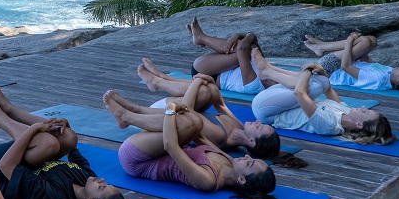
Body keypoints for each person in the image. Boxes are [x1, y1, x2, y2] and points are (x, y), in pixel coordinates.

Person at [0, 84, 138, 199]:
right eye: (107, 183)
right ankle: (11, 110)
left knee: (48, 144)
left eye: (102, 187)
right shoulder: (87, 183)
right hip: (29, 161)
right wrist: (64, 125)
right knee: (69, 137)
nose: (102, 180)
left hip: (1, 166)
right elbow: (74, 151)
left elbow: (6, 166)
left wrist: (33, 129)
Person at [107, 95, 280, 199]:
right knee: (194, 122)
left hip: (137, 159)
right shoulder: (229, 162)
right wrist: (186, 110)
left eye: (249, 163)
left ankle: (127, 117)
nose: (246, 156)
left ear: (241, 179)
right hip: (155, 149)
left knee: (186, 122)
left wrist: (171, 109)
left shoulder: (209, 180)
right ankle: (133, 112)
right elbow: (199, 137)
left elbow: (170, 146)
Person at [112, 71, 283, 160]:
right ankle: (160, 79)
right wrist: (210, 83)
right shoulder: (239, 128)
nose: (256, 121)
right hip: (171, 111)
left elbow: (186, 110)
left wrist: (198, 80)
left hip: (166, 112)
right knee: (210, 90)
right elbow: (221, 105)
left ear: (252, 141)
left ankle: (135, 109)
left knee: (201, 90)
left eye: (259, 127)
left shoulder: (221, 136)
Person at [249, 49, 396, 145]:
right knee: (322, 81)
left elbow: (299, 94)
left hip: (266, 110)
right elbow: (329, 88)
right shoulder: (345, 111)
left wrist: (308, 71)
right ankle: (268, 69)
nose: (364, 107)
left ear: (359, 125)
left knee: (310, 87)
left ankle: (267, 71)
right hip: (279, 99)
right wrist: (319, 69)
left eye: (365, 112)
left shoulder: (330, 125)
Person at [139, 26, 268, 100]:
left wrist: (238, 35)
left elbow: (243, 48)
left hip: (208, 72)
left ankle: (201, 38)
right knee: (250, 49)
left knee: (248, 49)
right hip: (220, 67)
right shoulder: (266, 69)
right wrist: (243, 37)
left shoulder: (254, 84)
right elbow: (250, 44)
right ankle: (162, 76)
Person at [303, 32, 399, 93]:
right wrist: (365, 50)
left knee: (363, 41)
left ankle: (321, 47)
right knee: (371, 41)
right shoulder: (389, 73)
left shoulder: (376, 79)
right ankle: (321, 46)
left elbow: (345, 67)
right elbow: (366, 61)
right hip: (344, 63)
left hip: (330, 69)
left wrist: (350, 41)